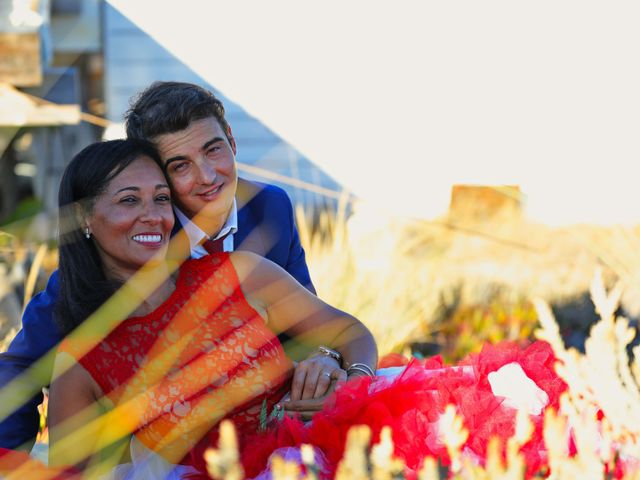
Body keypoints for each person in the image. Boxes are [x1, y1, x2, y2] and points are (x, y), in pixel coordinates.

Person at [0, 81, 324, 450]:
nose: (206, 176)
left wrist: (326, 360)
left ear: (232, 141)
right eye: (180, 165)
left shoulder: (270, 207)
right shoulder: (136, 241)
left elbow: (308, 325)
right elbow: (21, 369)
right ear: (156, 171)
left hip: (280, 433)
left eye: (213, 150)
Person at [46, 139, 378, 477]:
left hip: (322, 460)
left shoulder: (238, 273)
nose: (153, 216)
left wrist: (349, 385)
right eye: (129, 200)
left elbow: (350, 332)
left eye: (161, 199)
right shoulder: (81, 363)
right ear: (83, 217)